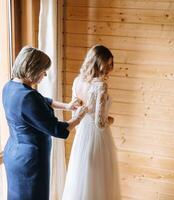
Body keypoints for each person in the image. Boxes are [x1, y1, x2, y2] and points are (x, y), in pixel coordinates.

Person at [2, 46, 87, 200]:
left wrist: (66, 106)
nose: (45, 73)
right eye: (43, 69)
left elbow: (42, 102)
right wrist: (78, 117)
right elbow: (57, 129)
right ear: (32, 69)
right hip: (31, 161)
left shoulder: (10, 86)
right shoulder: (29, 97)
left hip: (13, 154)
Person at [62, 44, 121, 200]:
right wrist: (111, 119)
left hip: (82, 134)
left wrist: (80, 129)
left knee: (83, 175)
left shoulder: (77, 81)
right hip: (99, 137)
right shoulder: (101, 86)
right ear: (97, 63)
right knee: (100, 177)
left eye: (111, 64)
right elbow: (100, 122)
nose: (109, 68)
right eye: (107, 64)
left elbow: (75, 108)